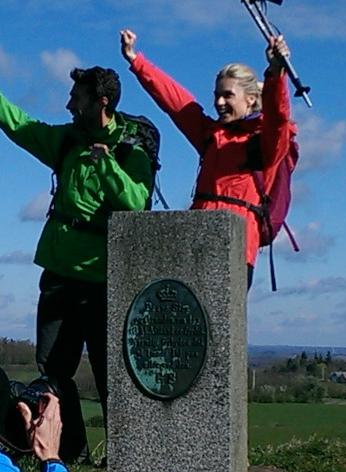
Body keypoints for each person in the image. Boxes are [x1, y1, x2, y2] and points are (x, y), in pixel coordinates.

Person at [0, 60, 154, 464]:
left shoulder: (131, 146)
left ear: (100, 102)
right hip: (58, 274)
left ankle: (126, 460)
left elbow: (137, 202)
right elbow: (18, 124)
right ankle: (70, 454)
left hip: (104, 278)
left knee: (110, 374)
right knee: (54, 369)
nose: (69, 104)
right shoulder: (67, 141)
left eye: (76, 97)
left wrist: (106, 165)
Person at [120, 29, 298, 289]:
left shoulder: (266, 143)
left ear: (251, 100)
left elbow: (277, 119)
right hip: (195, 236)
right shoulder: (211, 135)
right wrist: (136, 61)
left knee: (218, 326)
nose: (219, 102)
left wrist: (275, 74)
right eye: (216, 94)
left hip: (236, 243)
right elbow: (177, 102)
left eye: (228, 95)